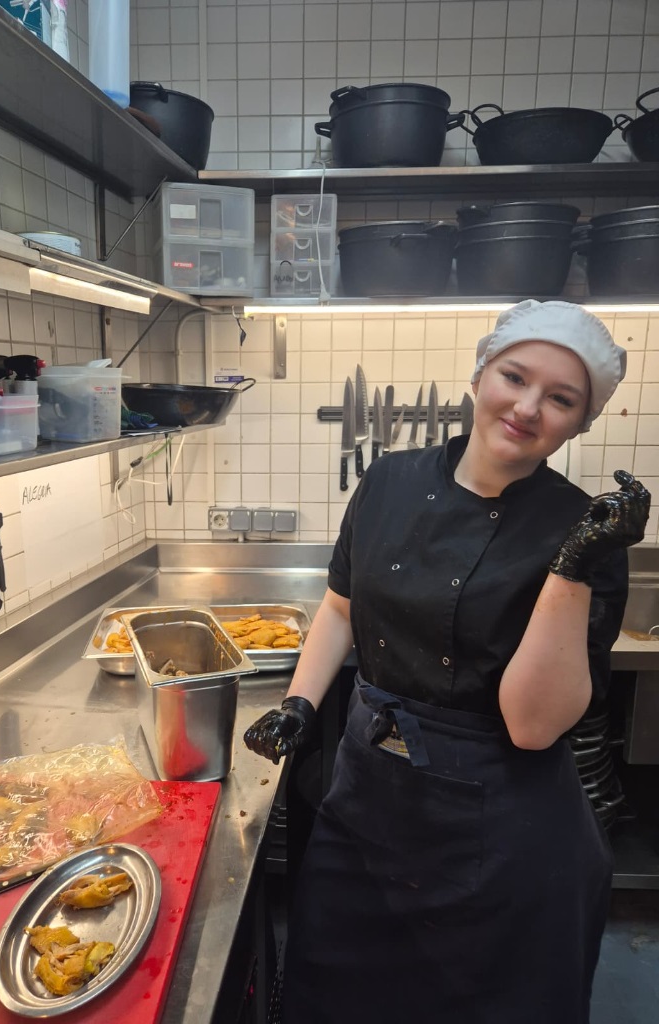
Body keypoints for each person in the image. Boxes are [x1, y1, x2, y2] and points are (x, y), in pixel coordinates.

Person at [244, 299, 651, 1024]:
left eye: (560, 399)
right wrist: (299, 704)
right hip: (365, 801)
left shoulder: (583, 532)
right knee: (333, 993)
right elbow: (339, 608)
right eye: (514, 377)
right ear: (479, 374)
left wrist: (572, 566)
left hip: (501, 828)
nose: (527, 408)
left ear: (581, 424)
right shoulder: (388, 479)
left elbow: (533, 726)